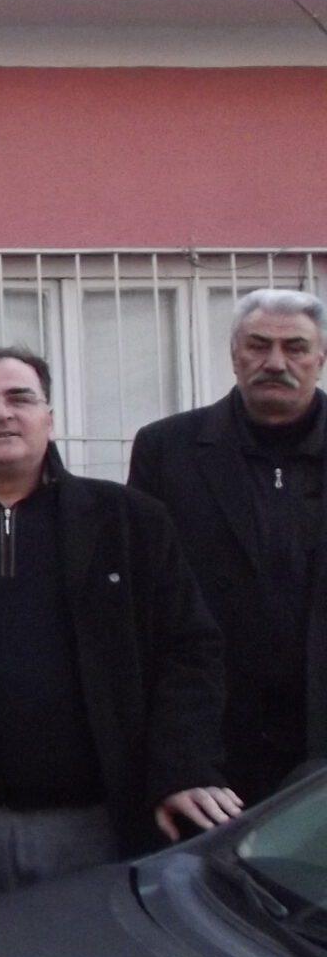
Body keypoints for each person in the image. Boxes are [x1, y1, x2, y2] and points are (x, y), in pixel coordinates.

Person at [0, 346, 235, 898]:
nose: (3, 413)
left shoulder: (131, 524)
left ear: (49, 419)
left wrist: (183, 765)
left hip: (100, 822)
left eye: (20, 398)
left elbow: (191, 649)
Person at [130, 288, 327, 805]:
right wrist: (177, 757)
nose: (276, 362)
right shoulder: (165, 451)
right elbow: (147, 609)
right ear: (233, 353)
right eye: (258, 345)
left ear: (321, 358)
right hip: (212, 744)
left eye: (296, 347)